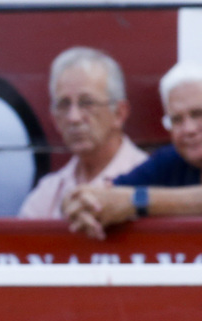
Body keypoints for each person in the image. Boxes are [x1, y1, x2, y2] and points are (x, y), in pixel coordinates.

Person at [64, 61, 202, 239]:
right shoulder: (170, 161)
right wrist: (76, 202)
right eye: (176, 120)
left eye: (198, 114)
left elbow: (128, 198)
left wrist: (137, 201)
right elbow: (108, 195)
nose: (189, 129)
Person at [17, 47, 147, 219]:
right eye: (64, 104)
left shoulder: (152, 182)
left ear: (119, 113)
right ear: (54, 119)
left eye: (87, 103)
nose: (74, 117)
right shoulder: (48, 192)